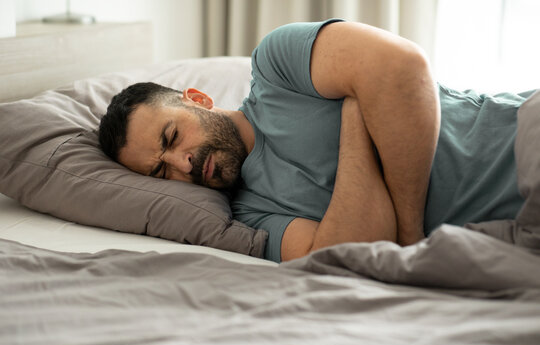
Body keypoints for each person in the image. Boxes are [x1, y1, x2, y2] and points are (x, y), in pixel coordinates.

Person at [99, 19, 528, 263]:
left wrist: (410, 230)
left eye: (172, 137)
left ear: (198, 99)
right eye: (161, 170)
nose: (183, 164)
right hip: (516, 236)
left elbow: (403, 65)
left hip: (522, 142)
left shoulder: (276, 70)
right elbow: (349, 254)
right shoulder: (250, 217)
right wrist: (356, 114)